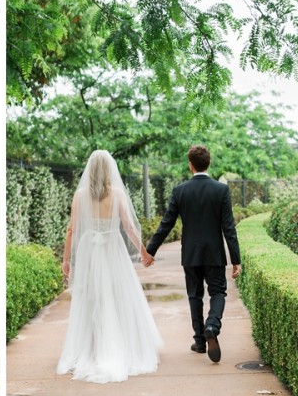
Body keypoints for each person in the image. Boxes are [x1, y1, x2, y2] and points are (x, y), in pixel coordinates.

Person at [57, 149, 163, 383]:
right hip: (113, 248)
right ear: (109, 171)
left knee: (91, 297)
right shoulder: (117, 194)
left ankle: (93, 348)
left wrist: (66, 260)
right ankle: (118, 346)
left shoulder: (80, 196)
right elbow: (128, 226)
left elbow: (71, 229)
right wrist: (144, 252)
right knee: (118, 295)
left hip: (89, 250)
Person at [146, 145, 242, 363]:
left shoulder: (180, 191)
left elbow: (167, 223)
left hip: (190, 253)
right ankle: (212, 325)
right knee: (218, 292)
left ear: (190, 165)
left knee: (194, 295)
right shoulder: (221, 190)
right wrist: (236, 259)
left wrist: (150, 251)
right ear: (209, 163)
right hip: (214, 253)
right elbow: (228, 227)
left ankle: (199, 341)